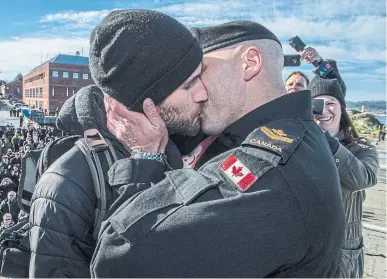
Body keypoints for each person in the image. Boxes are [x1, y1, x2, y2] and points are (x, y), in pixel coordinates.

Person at [91, 20, 345, 277]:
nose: (198, 92)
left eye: (201, 72)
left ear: (250, 62)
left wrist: (146, 158)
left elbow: (118, 256)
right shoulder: (290, 136)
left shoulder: (271, 170)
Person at [29, 9, 207, 278]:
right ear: (145, 100)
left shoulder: (184, 143)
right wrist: (147, 164)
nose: (203, 93)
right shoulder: (66, 185)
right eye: (189, 84)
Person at [309, 76, 379, 278]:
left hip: (342, 252)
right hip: (305, 247)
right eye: (317, 103)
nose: (324, 109)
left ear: (342, 109)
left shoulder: (361, 148)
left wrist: (327, 142)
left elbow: (363, 178)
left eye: (331, 103)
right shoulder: (301, 143)